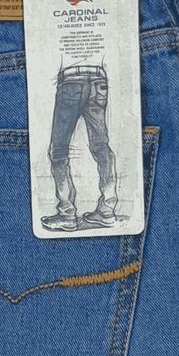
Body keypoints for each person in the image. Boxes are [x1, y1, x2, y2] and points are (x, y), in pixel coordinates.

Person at [41, 63, 118, 231]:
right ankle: (107, 210)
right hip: (99, 80)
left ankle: (67, 214)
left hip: (72, 81)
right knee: (101, 146)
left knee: (58, 151)